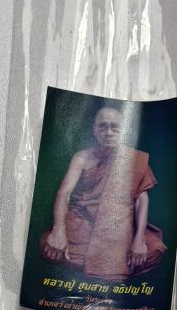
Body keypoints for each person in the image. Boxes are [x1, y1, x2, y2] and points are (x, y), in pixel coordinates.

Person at [40, 106, 166, 280]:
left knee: (155, 249)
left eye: (115, 127)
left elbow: (141, 200)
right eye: (103, 126)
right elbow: (64, 193)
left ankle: (95, 263)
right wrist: (58, 231)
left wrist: (139, 240)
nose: (109, 132)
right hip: (83, 222)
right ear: (94, 129)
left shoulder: (134, 158)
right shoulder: (82, 158)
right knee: (49, 246)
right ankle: (103, 264)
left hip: (118, 227)